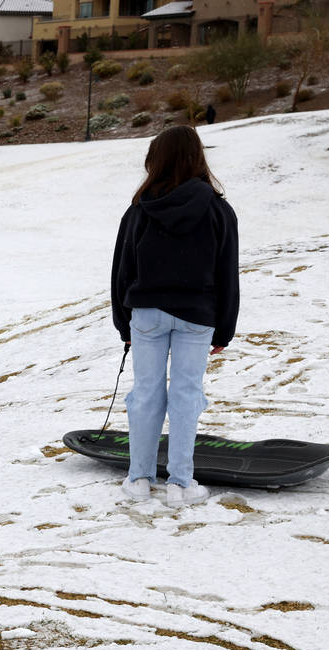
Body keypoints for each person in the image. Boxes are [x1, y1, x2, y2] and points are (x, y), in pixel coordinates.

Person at [111, 125, 239, 507]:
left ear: (157, 159)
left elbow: (122, 271)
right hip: (197, 316)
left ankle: (138, 480)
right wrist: (224, 331)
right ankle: (180, 485)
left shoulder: (139, 209)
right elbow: (226, 274)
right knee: (186, 395)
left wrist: (124, 325)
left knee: (146, 394)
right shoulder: (218, 210)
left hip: (147, 315)